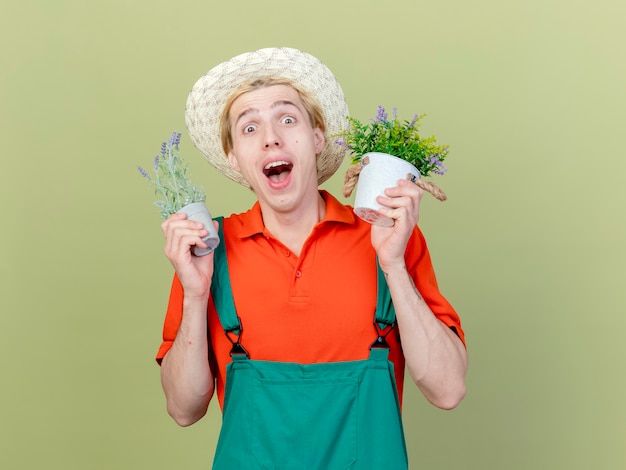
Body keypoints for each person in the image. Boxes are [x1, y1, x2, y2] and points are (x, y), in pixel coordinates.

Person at [155, 47, 467, 469]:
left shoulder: (388, 236)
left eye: (287, 119)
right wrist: (195, 294)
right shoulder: (208, 251)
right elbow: (183, 409)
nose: (271, 138)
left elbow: (448, 390)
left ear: (317, 138)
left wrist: (392, 265)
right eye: (249, 128)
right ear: (234, 159)